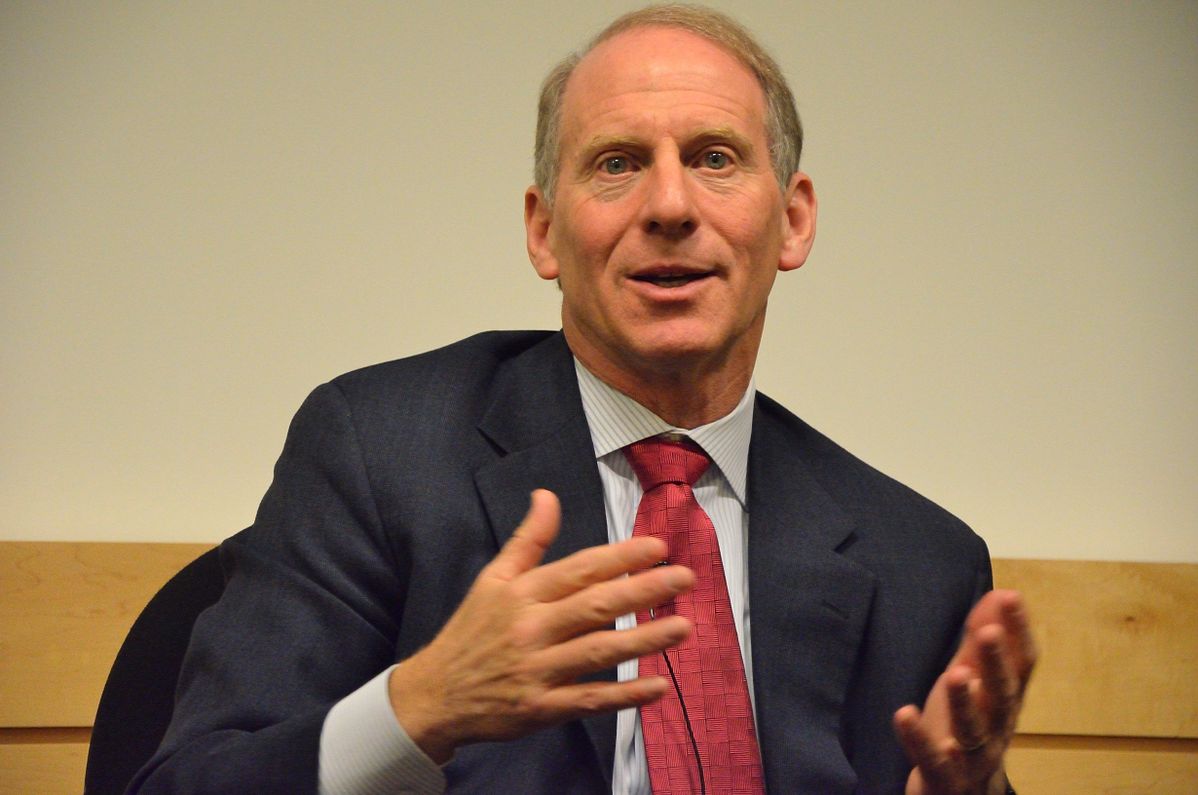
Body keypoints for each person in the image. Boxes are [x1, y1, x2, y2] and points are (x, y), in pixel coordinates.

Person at [132, 5, 1035, 794]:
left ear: (793, 221)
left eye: (715, 158)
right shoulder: (378, 454)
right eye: (617, 163)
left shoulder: (922, 564)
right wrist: (419, 706)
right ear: (544, 231)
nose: (670, 204)